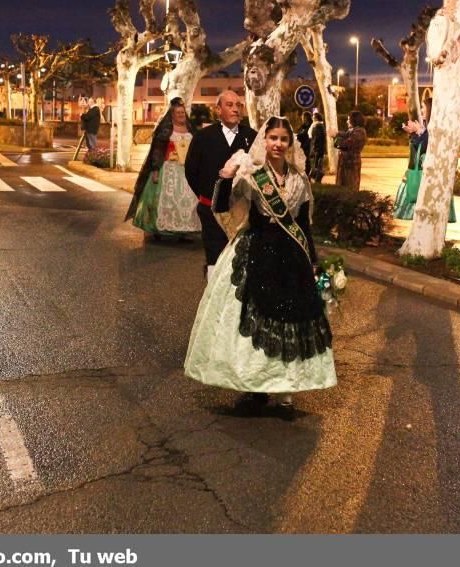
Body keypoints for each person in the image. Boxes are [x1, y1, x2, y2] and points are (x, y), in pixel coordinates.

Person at [184, 116, 337, 420]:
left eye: (283, 139)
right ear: (263, 141)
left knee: (291, 322)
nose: (278, 144)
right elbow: (222, 205)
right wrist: (226, 176)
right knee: (256, 319)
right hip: (257, 252)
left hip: (291, 257)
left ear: (290, 144)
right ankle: (256, 388)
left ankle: (286, 393)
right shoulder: (253, 176)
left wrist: (313, 261)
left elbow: (303, 223)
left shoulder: (299, 179)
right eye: (273, 138)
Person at [184, 90, 256, 280]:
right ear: (218, 110)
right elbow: (192, 171)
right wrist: (208, 195)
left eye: (238, 105)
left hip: (243, 216)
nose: (235, 109)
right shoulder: (203, 137)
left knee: (240, 262)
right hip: (211, 211)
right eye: (229, 105)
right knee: (215, 261)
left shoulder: (252, 137)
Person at [126, 98, 200, 238]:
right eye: (178, 113)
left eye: (182, 113)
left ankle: (184, 231)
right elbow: (158, 151)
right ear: (172, 115)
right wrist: (155, 170)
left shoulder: (191, 129)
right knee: (165, 200)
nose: (181, 115)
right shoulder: (166, 130)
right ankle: (159, 229)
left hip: (187, 171)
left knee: (188, 201)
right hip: (169, 170)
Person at [393, 98, 456, 222]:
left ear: (431, 110)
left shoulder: (436, 126)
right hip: (429, 171)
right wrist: (415, 133)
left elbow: (427, 146)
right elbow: (421, 145)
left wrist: (418, 132)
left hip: (430, 174)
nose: (422, 110)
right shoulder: (432, 125)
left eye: (424, 107)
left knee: (426, 201)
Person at [330, 110, 367, 191]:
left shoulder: (359, 132)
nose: (347, 121)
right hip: (346, 164)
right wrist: (336, 134)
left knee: (349, 189)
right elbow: (343, 136)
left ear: (354, 120)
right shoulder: (352, 131)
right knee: (342, 188)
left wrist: (335, 137)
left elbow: (346, 144)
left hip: (350, 164)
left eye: (348, 119)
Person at [308, 111, 327, 183]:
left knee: (316, 166)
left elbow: (316, 139)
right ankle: (316, 179)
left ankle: (317, 180)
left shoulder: (317, 126)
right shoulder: (318, 126)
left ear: (316, 118)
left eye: (313, 117)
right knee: (317, 166)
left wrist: (314, 149)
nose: (312, 118)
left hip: (317, 150)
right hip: (318, 149)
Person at [296, 110, 312, 176]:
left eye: (303, 118)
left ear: (306, 118)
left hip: (307, 146)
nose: (302, 119)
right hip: (305, 145)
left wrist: (296, 136)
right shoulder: (305, 126)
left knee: (307, 161)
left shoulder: (309, 126)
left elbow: (304, 135)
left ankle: (307, 175)